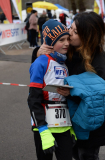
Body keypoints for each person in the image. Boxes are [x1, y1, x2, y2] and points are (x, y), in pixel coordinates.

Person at [32, 12, 105, 160]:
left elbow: (94, 95)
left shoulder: (100, 61)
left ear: (87, 36)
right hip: (68, 120)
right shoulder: (66, 49)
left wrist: (72, 92)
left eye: (75, 32)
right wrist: (38, 53)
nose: (69, 33)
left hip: (91, 120)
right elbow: (42, 67)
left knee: (86, 155)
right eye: (71, 27)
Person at [28, 19, 75, 160]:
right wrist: (42, 130)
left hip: (64, 127)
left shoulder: (65, 62)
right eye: (61, 40)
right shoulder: (41, 63)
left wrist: (71, 127)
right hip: (44, 128)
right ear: (50, 42)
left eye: (68, 39)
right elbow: (33, 99)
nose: (67, 43)